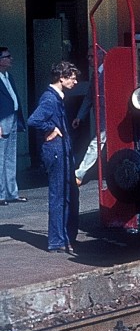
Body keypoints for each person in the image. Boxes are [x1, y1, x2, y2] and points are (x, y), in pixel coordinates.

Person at [27, 61, 80, 254]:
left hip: (61, 150)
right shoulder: (50, 100)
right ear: (61, 78)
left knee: (68, 194)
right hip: (56, 151)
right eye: (72, 77)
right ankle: (57, 241)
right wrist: (51, 129)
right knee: (59, 195)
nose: (75, 81)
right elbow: (34, 120)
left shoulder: (56, 98)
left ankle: (64, 237)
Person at [71, 50, 105, 186]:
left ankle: (80, 173)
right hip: (100, 115)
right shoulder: (95, 74)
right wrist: (80, 116)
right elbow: (89, 97)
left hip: (109, 116)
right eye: (88, 56)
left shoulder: (109, 72)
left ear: (101, 56)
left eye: (92, 56)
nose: (89, 59)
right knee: (98, 143)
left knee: (96, 143)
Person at [0, 46, 27, 206]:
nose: (11, 59)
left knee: (11, 159)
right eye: (7, 56)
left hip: (13, 120)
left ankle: (11, 192)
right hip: (2, 122)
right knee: (1, 159)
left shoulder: (8, 76)